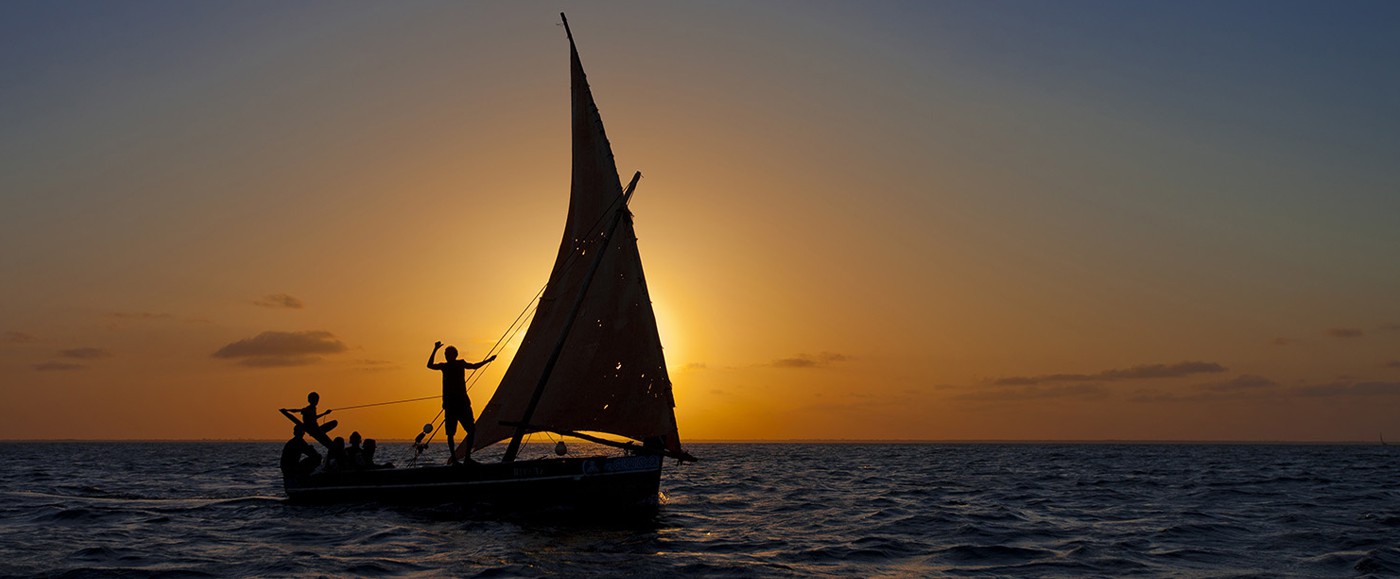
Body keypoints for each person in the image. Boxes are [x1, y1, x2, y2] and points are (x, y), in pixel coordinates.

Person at [427, 341, 495, 463]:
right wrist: (435, 349)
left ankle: (467, 458)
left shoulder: (460, 364)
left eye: (448, 354)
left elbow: (474, 366)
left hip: (462, 404)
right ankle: (454, 459)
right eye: (446, 354)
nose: (446, 356)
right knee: (450, 433)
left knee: (471, 430)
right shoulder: (444, 366)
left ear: (454, 355)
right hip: (450, 406)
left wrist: (488, 360)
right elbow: (429, 365)